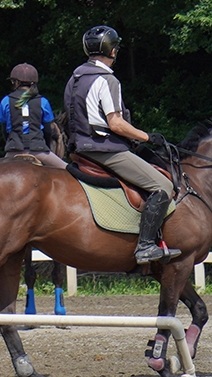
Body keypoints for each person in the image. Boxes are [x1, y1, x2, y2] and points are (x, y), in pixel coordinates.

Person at [64, 25, 179, 264]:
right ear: (113, 51)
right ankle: (145, 246)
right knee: (163, 185)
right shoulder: (107, 79)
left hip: (80, 149)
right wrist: (147, 137)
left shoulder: (75, 78)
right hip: (105, 150)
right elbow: (115, 123)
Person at [0, 63, 66, 168]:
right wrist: (44, 146)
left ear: (16, 82)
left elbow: (4, 131)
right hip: (38, 149)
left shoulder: (6, 101)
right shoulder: (43, 101)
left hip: (14, 150)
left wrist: (11, 144)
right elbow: (48, 131)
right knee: (68, 171)